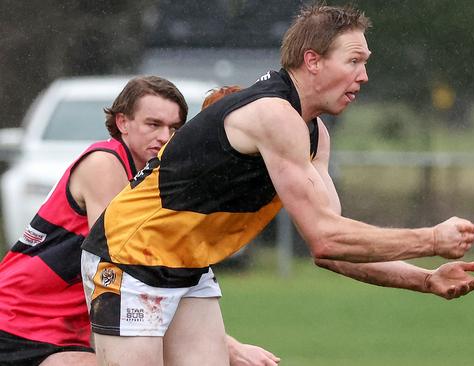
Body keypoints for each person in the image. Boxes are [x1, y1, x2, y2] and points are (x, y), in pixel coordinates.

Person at [80, 4, 474, 365]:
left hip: (187, 265)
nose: (365, 75)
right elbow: (327, 240)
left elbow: (335, 250)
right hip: (129, 258)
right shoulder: (274, 115)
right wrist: (430, 239)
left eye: (366, 62)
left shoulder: (314, 132)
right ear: (313, 60)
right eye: (353, 61)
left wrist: (426, 280)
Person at [0, 76, 279, 366]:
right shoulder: (105, 164)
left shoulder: (155, 184)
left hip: (64, 331)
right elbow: (126, 266)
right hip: (17, 324)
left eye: (174, 128)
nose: (164, 137)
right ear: (122, 122)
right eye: (153, 124)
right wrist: (228, 347)